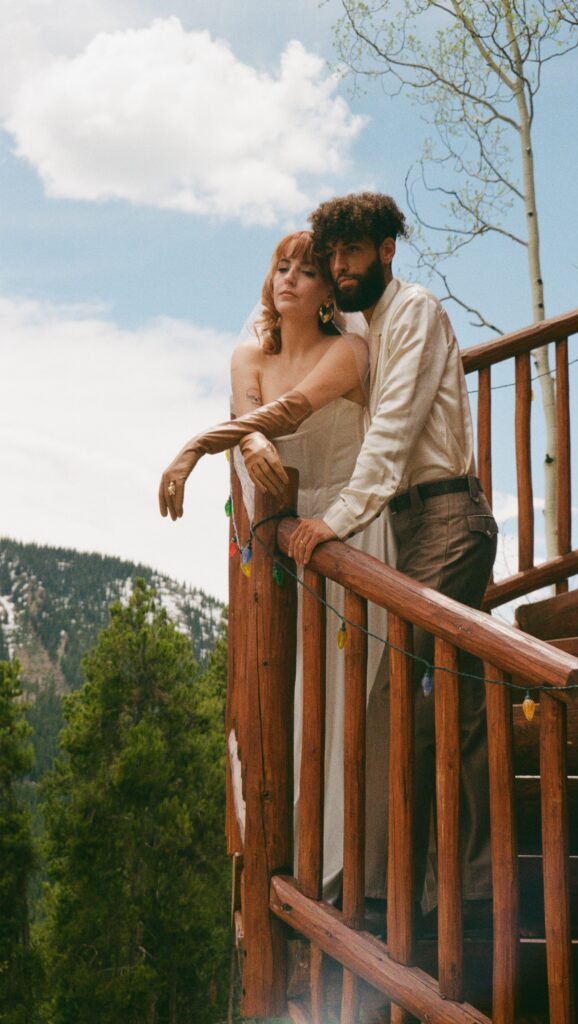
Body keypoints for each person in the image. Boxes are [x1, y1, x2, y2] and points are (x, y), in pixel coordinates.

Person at [159, 230, 396, 902]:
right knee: (284, 696)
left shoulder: (349, 350)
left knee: (353, 698)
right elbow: (254, 417)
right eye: (280, 266)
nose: (288, 278)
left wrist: (195, 448)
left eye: (308, 270)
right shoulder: (247, 355)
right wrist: (248, 436)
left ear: (329, 294)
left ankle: (356, 875)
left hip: (350, 534)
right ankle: (293, 858)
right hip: (281, 544)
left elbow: (290, 410)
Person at [287, 193, 498, 925]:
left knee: (390, 698)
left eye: (352, 251)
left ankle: (384, 895)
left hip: (447, 518)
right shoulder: (360, 327)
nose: (339, 266)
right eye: (331, 255)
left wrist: (333, 523)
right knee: (461, 708)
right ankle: (470, 888)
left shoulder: (413, 311)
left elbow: (395, 434)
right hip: (412, 529)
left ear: (386, 250)